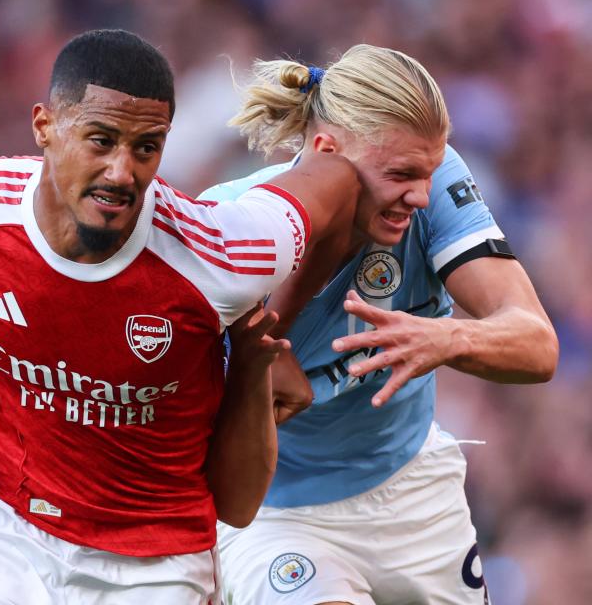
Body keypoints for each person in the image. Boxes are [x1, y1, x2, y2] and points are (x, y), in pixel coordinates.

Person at [0, 28, 364, 604]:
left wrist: (274, 331)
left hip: (151, 560)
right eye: (101, 140)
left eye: (146, 148)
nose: (121, 172)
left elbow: (338, 180)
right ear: (45, 127)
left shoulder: (223, 253)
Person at [201, 44, 559, 605]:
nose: (420, 195)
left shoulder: (434, 180)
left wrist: (447, 336)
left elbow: (537, 345)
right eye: (401, 175)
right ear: (326, 150)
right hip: (278, 517)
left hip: (413, 491)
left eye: (429, 173)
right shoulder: (229, 226)